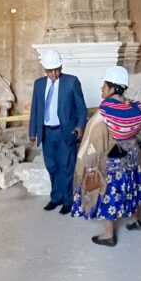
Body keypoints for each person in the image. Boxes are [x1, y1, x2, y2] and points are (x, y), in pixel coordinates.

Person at [71, 66, 141, 247]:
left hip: (112, 162)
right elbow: (140, 121)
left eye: (104, 85)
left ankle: (108, 234)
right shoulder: (134, 106)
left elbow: (95, 139)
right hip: (131, 157)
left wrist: (87, 161)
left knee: (107, 193)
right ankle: (133, 220)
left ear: (113, 88)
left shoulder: (105, 111)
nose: (102, 89)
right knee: (129, 187)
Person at [29, 49, 88, 214]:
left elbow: (81, 108)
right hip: (46, 133)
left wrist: (80, 126)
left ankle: (68, 200)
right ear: (44, 69)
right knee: (52, 166)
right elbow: (35, 109)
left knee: (67, 166)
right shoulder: (39, 84)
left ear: (61, 66)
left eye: (57, 69)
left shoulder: (71, 82)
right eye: (50, 70)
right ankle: (56, 198)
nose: (54, 73)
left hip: (65, 132)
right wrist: (32, 131)